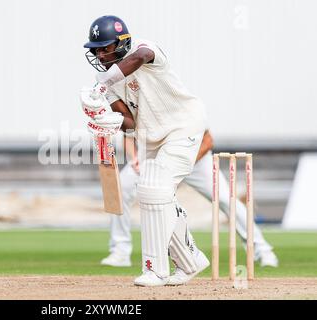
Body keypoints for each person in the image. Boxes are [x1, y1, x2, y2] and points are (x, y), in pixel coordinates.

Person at [81, 15, 209, 286]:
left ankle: (155, 269)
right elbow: (129, 123)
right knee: (154, 193)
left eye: (106, 47)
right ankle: (190, 260)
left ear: (122, 42)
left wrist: (103, 84)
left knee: (156, 189)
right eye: (97, 49)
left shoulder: (144, 48)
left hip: (182, 126)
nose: (101, 54)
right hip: (150, 136)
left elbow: (140, 57)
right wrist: (107, 119)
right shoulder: (104, 79)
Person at [101, 131, 279, 275]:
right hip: (156, 160)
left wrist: (183, 165)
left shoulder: (183, 104)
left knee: (226, 198)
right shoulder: (138, 102)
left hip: (196, 161)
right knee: (121, 188)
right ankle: (120, 250)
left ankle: (262, 249)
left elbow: (208, 141)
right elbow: (128, 134)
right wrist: (135, 159)